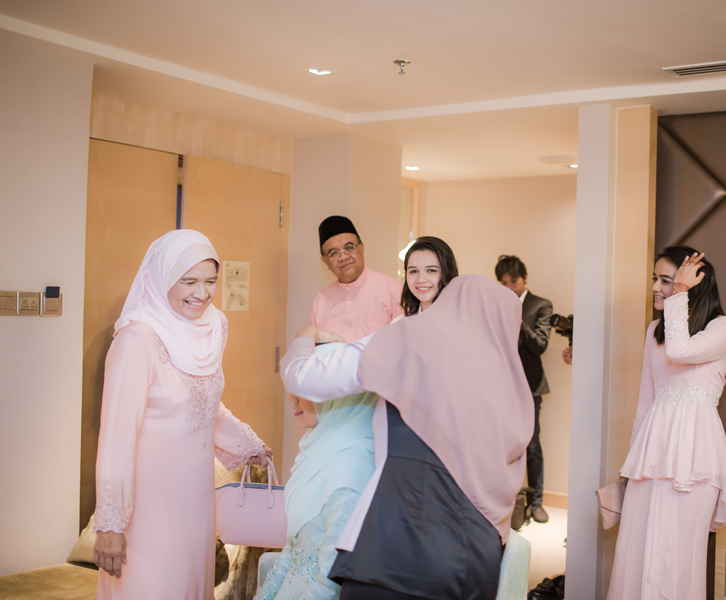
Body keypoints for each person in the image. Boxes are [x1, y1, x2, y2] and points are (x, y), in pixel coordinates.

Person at [280, 275, 534, 600]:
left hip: (400, 546)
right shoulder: (510, 391)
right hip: (476, 561)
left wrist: (305, 337)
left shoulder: (410, 340)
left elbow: (303, 377)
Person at [92, 230, 272, 600]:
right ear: (162, 278)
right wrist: (110, 524)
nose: (201, 293)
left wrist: (247, 443)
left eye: (210, 281)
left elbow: (203, 405)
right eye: (188, 282)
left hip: (196, 500)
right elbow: (115, 439)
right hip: (148, 504)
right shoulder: (137, 339)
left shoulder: (214, 328)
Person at [607, 246, 726, 600]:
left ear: (694, 284)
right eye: (655, 278)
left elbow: (680, 351)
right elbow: (646, 399)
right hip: (652, 454)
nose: (655, 287)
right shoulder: (655, 329)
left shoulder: (724, 327)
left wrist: (679, 291)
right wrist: (632, 462)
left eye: (665, 280)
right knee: (636, 548)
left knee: (681, 552)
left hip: (696, 456)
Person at [256, 344, 377, 600]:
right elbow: (292, 551)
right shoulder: (318, 454)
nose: (292, 398)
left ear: (341, 397)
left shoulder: (352, 470)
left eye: (305, 389)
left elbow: (331, 582)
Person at [496, 255, 552, 523]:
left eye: (514, 282)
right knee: (504, 443)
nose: (509, 288)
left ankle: (536, 501)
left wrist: (517, 320)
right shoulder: (496, 305)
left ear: (525, 278)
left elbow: (540, 345)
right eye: (504, 283)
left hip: (530, 385)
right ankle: (508, 501)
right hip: (502, 384)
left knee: (533, 445)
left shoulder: (541, 305)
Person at [312, 215, 403, 342]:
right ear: (325, 261)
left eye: (349, 247)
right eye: (333, 253)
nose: (343, 257)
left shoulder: (393, 289)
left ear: (361, 248)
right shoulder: (321, 301)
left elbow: (407, 342)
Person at [400, 236, 459, 316]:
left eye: (431, 270)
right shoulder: (400, 322)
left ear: (448, 272)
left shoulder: (467, 321)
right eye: (414, 271)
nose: (420, 280)